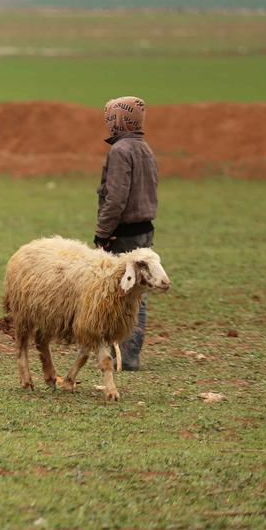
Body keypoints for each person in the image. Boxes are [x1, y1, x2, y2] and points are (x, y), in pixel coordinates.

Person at [95, 96, 158, 371]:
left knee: (121, 293)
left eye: (110, 118)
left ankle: (125, 356)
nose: (108, 123)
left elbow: (116, 197)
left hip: (125, 232)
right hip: (144, 229)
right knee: (137, 294)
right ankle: (130, 354)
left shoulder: (121, 150)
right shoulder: (145, 148)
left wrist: (103, 232)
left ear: (119, 120)